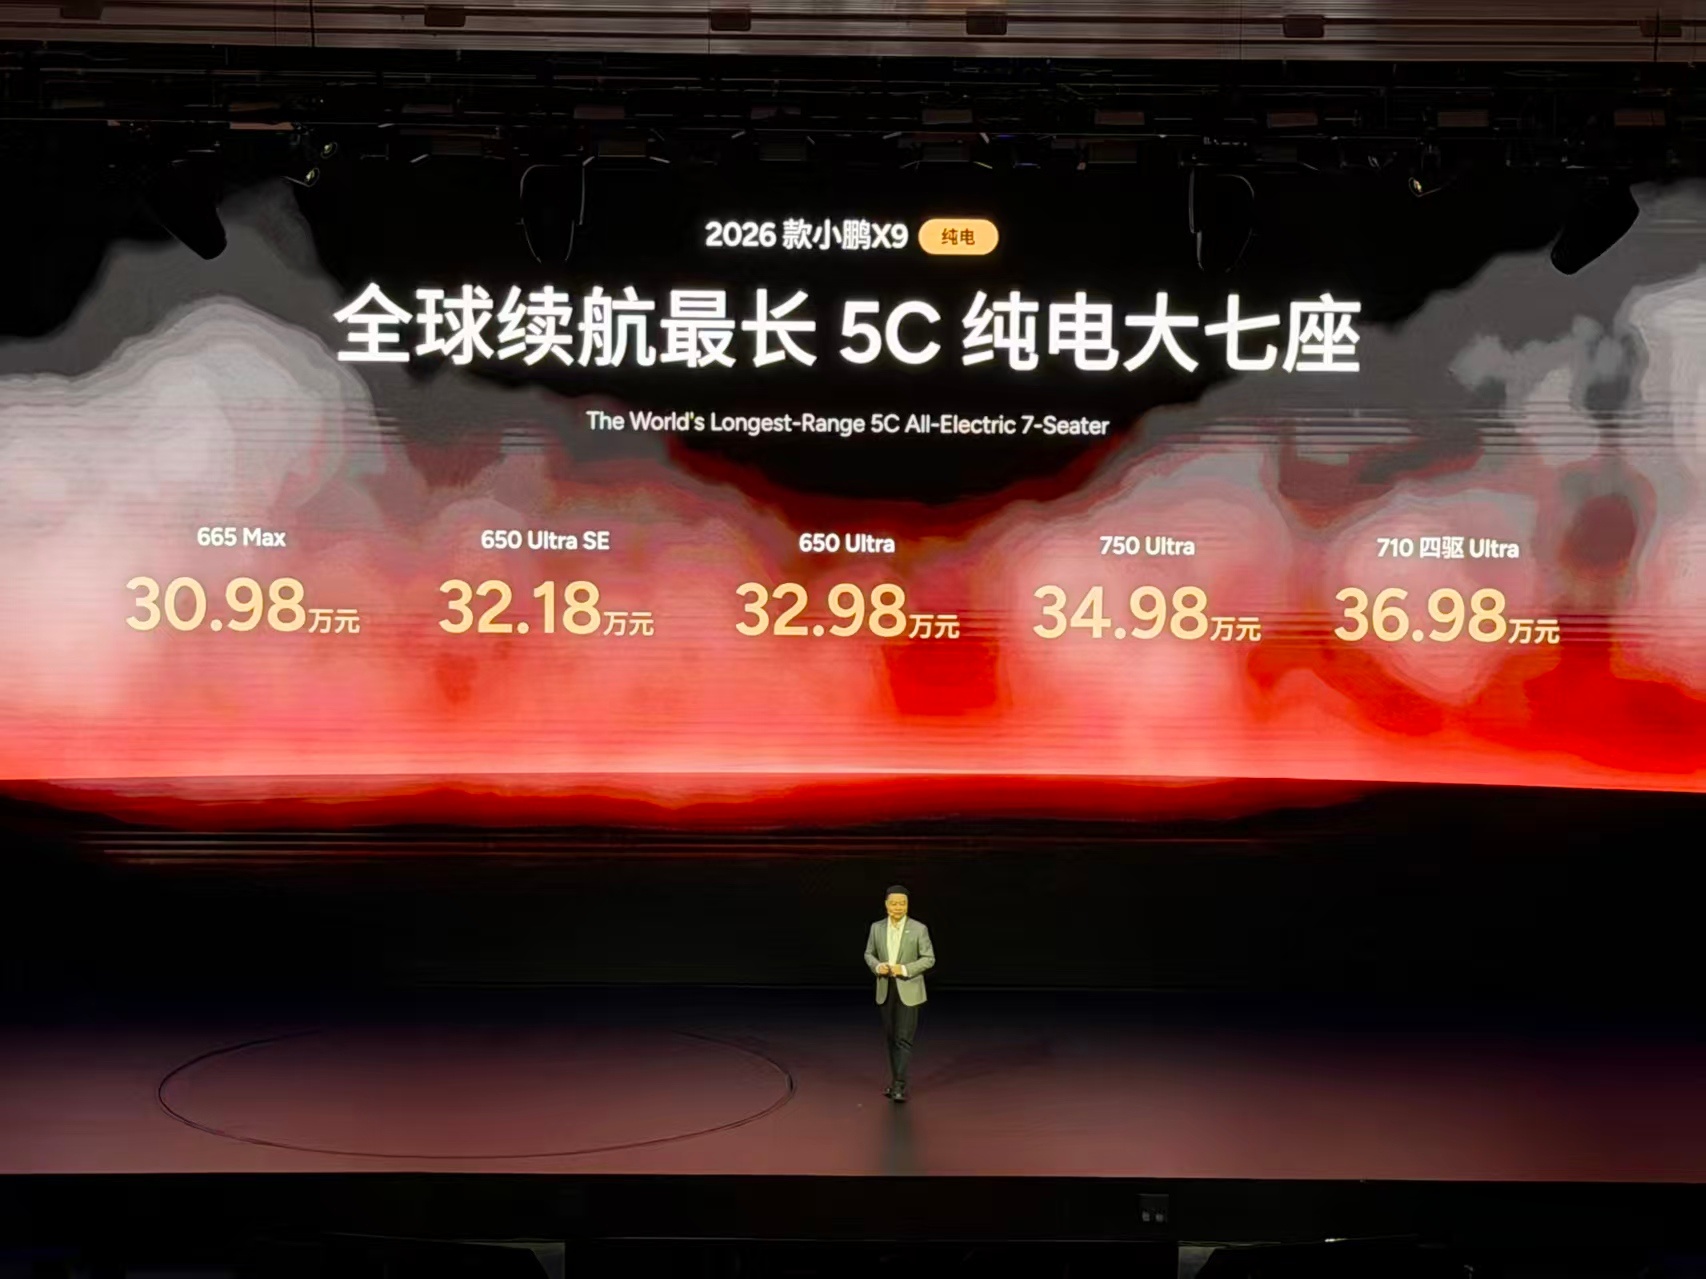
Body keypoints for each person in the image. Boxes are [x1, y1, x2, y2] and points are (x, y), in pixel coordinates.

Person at [863, 884, 935, 1102]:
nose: (898, 907)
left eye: (902, 903)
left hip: (908, 989)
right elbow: (868, 953)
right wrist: (878, 966)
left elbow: (929, 958)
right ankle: (895, 1080)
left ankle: (899, 1086)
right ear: (886, 905)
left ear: (907, 905)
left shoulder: (919, 928)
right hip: (885, 988)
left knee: (903, 1039)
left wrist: (903, 969)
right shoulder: (876, 928)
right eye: (893, 903)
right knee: (891, 1038)